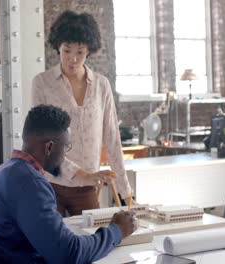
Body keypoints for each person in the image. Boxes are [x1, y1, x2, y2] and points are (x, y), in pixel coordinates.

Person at [0, 104, 137, 263]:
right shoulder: (31, 184)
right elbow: (68, 254)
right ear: (49, 147)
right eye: (66, 146)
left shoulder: (5, 170)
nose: (65, 156)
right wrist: (116, 231)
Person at [32, 10, 133, 216]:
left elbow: (112, 139)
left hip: (87, 188)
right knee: (53, 245)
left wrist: (126, 192)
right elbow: (43, 142)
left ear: (89, 51)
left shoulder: (101, 85)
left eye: (80, 52)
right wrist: (81, 174)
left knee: (92, 241)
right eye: (67, 51)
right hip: (51, 184)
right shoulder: (42, 83)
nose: (73, 59)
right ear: (58, 47)